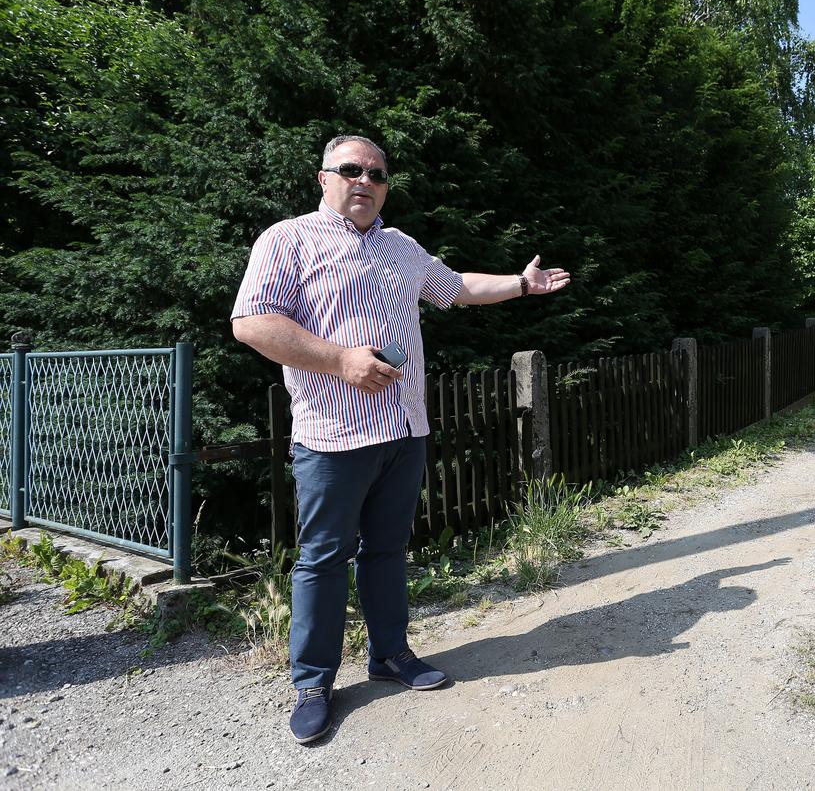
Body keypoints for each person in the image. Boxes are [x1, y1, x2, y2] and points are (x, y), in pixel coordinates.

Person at [230, 135, 570, 744]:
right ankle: (312, 682)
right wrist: (340, 361)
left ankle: (389, 656)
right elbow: (251, 323)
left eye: (377, 174)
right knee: (323, 560)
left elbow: (456, 287)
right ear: (324, 178)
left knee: (386, 551)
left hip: (404, 430)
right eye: (352, 170)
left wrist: (521, 284)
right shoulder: (286, 239)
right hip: (331, 434)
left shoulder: (400, 246)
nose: (365, 180)